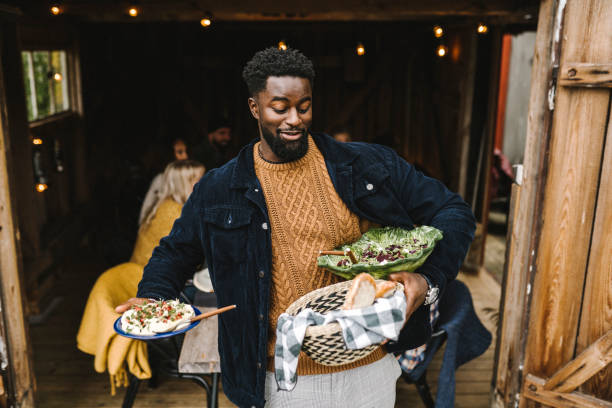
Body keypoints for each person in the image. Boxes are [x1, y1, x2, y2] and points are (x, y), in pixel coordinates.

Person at [116, 48, 475, 408]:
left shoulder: (368, 164)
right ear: (255, 108)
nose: (295, 119)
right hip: (280, 382)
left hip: (370, 370)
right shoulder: (218, 189)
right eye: (280, 107)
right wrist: (153, 298)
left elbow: (454, 212)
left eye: (304, 106)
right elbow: (174, 252)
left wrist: (428, 278)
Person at [78, 160, 205, 395]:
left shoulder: (168, 204)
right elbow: (187, 255)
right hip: (148, 281)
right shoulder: (174, 211)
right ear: (182, 184)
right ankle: (208, 357)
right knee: (206, 299)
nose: (203, 182)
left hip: (141, 275)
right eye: (196, 179)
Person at [139, 138, 191, 225]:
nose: (185, 156)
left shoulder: (191, 176)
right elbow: (146, 210)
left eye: (186, 151)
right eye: (180, 152)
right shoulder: (161, 179)